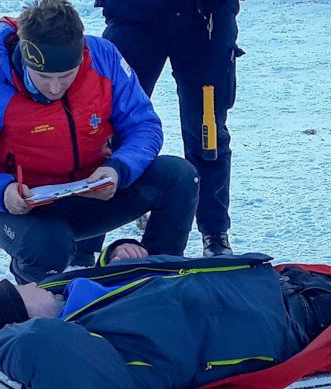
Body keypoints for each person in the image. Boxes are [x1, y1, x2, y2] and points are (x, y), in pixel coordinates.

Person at [0, 0, 199, 284]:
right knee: (49, 246)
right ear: (25, 60)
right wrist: (2, 192)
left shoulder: (104, 59)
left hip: (93, 191)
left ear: (81, 55)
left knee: (180, 177)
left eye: (65, 76)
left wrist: (118, 169)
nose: (54, 88)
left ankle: (156, 279)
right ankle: (35, 302)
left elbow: (144, 125)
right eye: (42, 77)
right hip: (21, 208)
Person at [0, 242, 331, 389]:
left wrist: (116, 253)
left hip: (275, 280)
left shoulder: (71, 292)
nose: (26, 283)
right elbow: (34, 347)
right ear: (23, 317)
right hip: (297, 324)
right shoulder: (89, 351)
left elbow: (152, 280)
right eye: (19, 292)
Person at [94, 0, 242, 257]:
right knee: (107, 128)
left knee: (207, 133)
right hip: (134, 15)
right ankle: (86, 244)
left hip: (205, 18)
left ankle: (215, 234)